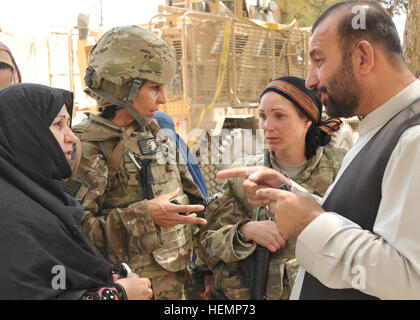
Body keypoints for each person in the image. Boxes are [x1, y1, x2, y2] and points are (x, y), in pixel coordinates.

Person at [218, 1, 420, 300]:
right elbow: (362, 219)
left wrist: (310, 223)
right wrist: (292, 191)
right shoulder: (383, 126)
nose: (311, 80)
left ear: (363, 57)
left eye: (319, 60)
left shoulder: (413, 137)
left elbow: (409, 280)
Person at [69, 25, 208, 300]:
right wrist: (146, 216)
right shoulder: (88, 147)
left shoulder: (156, 134)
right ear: (124, 88)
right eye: (154, 88)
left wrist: (206, 268)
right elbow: (74, 235)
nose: (165, 98)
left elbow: (197, 207)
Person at [0, 83, 153, 300]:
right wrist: (118, 294)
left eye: (69, 125)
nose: (71, 136)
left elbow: (58, 276)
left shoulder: (44, 197)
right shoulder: (10, 218)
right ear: (25, 133)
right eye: (58, 125)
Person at [198, 76, 346, 300]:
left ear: (307, 120)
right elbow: (206, 245)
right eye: (263, 116)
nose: (268, 126)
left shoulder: (340, 168)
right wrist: (245, 231)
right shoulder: (244, 174)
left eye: (279, 116)